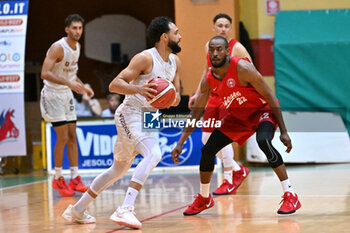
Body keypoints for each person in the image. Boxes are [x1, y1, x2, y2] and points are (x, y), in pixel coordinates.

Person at [62, 16, 182, 228]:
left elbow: (177, 96)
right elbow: (114, 84)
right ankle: (125, 208)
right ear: (165, 37)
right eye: (176, 33)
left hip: (151, 116)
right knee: (154, 154)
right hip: (131, 112)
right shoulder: (145, 58)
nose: (179, 37)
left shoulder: (174, 62)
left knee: (117, 170)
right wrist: (138, 89)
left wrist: (170, 98)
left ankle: (77, 210)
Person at [172, 36, 301, 216]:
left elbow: (270, 96)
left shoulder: (243, 68)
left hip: (261, 110)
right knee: (207, 150)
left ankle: (290, 194)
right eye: (212, 50)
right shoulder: (209, 78)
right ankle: (204, 198)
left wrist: (284, 131)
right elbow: (195, 113)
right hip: (238, 118)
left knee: (263, 141)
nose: (215, 53)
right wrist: (180, 142)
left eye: (219, 49)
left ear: (227, 51)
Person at [188, 13, 252, 195]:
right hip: (213, 97)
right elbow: (205, 71)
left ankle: (229, 180)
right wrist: (198, 93)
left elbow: (251, 70)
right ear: (213, 27)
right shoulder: (208, 46)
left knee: (222, 139)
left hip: (231, 98)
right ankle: (239, 170)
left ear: (230, 29)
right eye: (220, 25)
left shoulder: (237, 47)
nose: (223, 28)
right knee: (206, 139)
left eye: (226, 26)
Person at [40, 14, 91, 197]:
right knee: (61, 137)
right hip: (53, 95)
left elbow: (71, 74)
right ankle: (58, 178)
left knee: (72, 136)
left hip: (66, 94)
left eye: (80, 28)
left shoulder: (77, 47)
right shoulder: (57, 47)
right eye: (74, 28)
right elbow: (44, 73)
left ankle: (75, 178)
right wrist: (69, 84)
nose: (78, 31)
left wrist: (83, 86)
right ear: (67, 29)